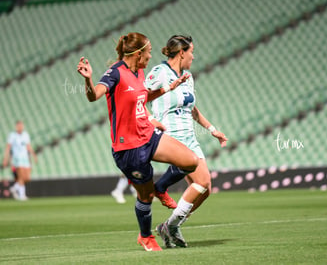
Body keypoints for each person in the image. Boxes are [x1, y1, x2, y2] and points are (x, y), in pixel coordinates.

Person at [77, 32, 199, 252]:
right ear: (138, 53)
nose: (151, 56)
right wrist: (87, 78)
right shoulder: (115, 73)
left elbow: (142, 97)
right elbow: (94, 95)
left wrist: (167, 89)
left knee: (190, 161)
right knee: (145, 196)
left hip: (148, 135)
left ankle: (161, 187)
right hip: (128, 148)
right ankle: (145, 236)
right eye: (149, 52)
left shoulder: (139, 71)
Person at [144, 35, 228, 248]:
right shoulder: (159, 73)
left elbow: (192, 109)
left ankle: (170, 226)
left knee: (206, 188)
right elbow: (139, 98)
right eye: (191, 51)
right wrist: (152, 120)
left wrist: (212, 130)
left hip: (190, 137)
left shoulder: (188, 76)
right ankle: (170, 225)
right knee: (201, 182)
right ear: (181, 52)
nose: (194, 55)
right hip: (171, 136)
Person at [2, 120, 37, 201]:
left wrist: (33, 155)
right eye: (19, 125)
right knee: (21, 176)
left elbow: (28, 146)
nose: (20, 127)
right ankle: (22, 195)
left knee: (27, 178)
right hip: (17, 158)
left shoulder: (26, 135)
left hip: (25, 158)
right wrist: (5, 159)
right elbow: (8, 148)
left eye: (21, 125)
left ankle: (14, 188)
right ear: (16, 127)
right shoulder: (12, 135)